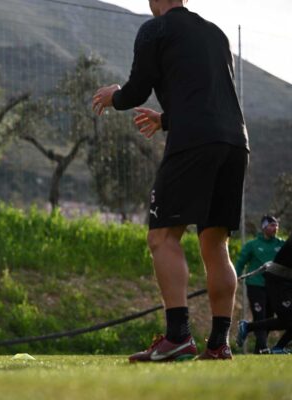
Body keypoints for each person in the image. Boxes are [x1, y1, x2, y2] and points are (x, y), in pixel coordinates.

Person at [92, 0, 249, 362]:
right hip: (234, 143)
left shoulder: (156, 29)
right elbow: (205, 97)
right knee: (215, 243)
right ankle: (219, 343)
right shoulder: (216, 34)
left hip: (194, 142)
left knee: (162, 236)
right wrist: (165, 120)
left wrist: (113, 96)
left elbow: (136, 91)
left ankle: (178, 336)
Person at [234, 215, 285, 353]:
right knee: (259, 316)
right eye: (272, 225)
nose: (276, 228)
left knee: (269, 318)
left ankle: (259, 349)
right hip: (256, 285)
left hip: (275, 287)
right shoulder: (253, 245)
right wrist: (235, 276)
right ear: (264, 227)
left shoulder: (281, 244)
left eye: (276, 225)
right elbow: (241, 262)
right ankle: (263, 347)